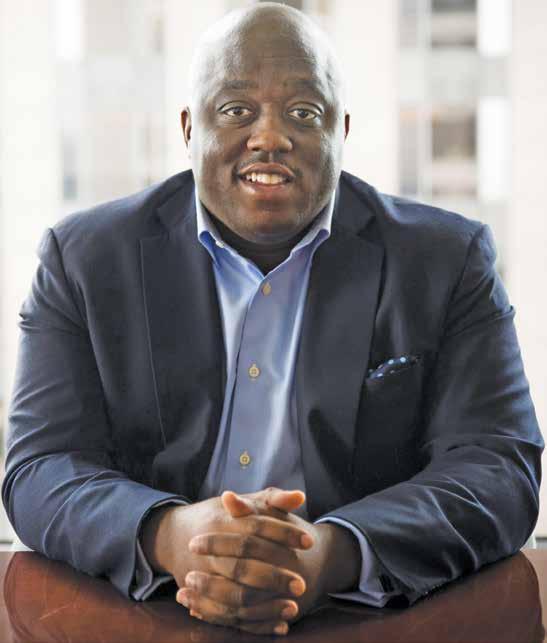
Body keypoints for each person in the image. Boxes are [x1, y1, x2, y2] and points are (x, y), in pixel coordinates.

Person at [2, 2, 542, 638]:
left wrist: (334, 553)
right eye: (236, 110)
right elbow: (40, 466)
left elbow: (498, 469)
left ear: (342, 132)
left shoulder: (447, 259)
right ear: (188, 128)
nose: (269, 137)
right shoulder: (83, 260)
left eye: (304, 113)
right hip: (150, 612)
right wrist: (171, 535)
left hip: (363, 617)